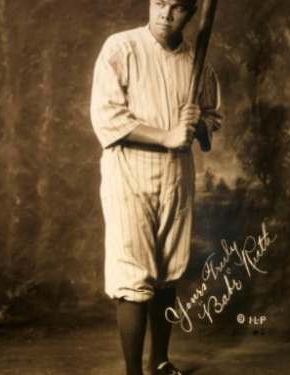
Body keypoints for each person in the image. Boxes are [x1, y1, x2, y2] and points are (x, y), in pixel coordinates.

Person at [89, 1, 222, 374]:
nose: (165, 14)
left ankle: (160, 362)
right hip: (129, 171)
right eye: (159, 2)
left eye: (177, 7)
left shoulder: (199, 63)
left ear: (192, 14)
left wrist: (197, 127)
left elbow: (211, 124)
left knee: (168, 270)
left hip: (177, 173)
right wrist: (166, 135)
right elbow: (107, 118)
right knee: (134, 273)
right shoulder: (120, 48)